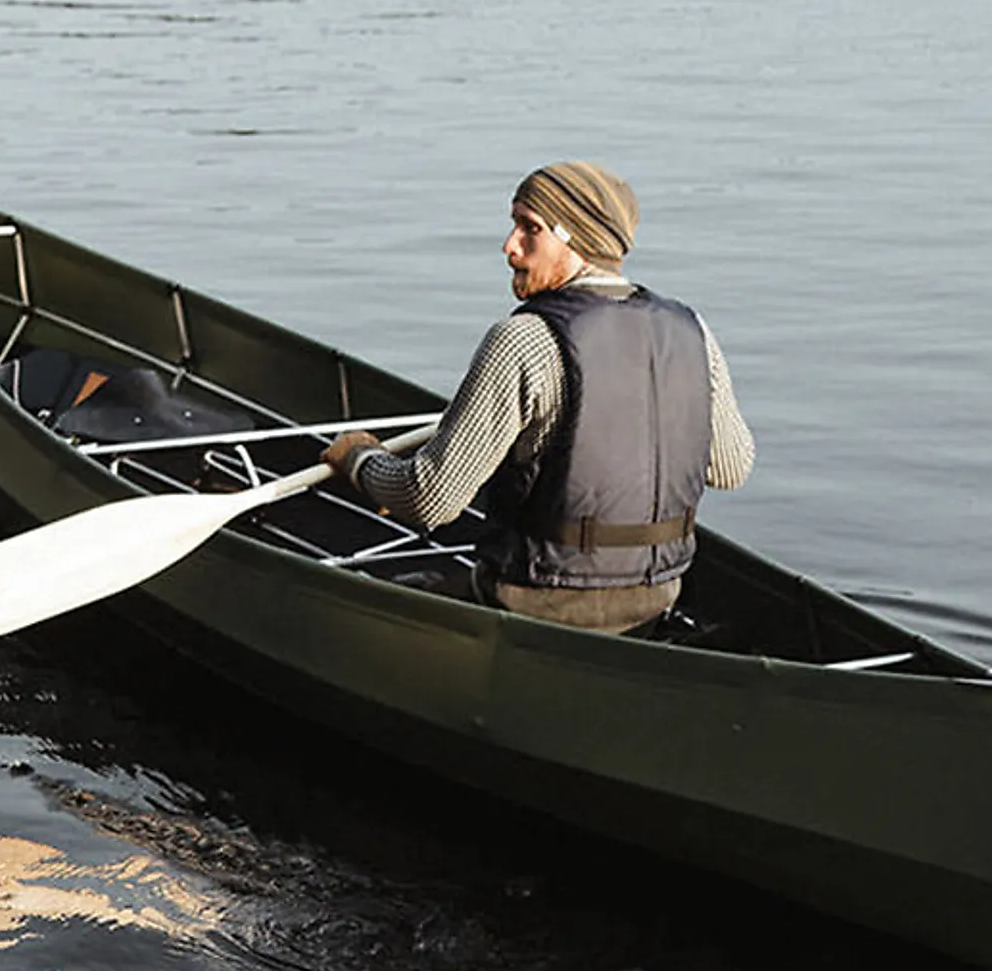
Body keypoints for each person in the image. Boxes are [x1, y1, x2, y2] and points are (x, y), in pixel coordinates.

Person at [320, 162, 752, 634]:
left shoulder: (524, 340)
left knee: (385, 598)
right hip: (658, 593)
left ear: (577, 239)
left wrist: (360, 459)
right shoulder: (692, 332)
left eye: (530, 229)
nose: (510, 246)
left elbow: (430, 500)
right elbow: (731, 468)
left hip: (537, 602)